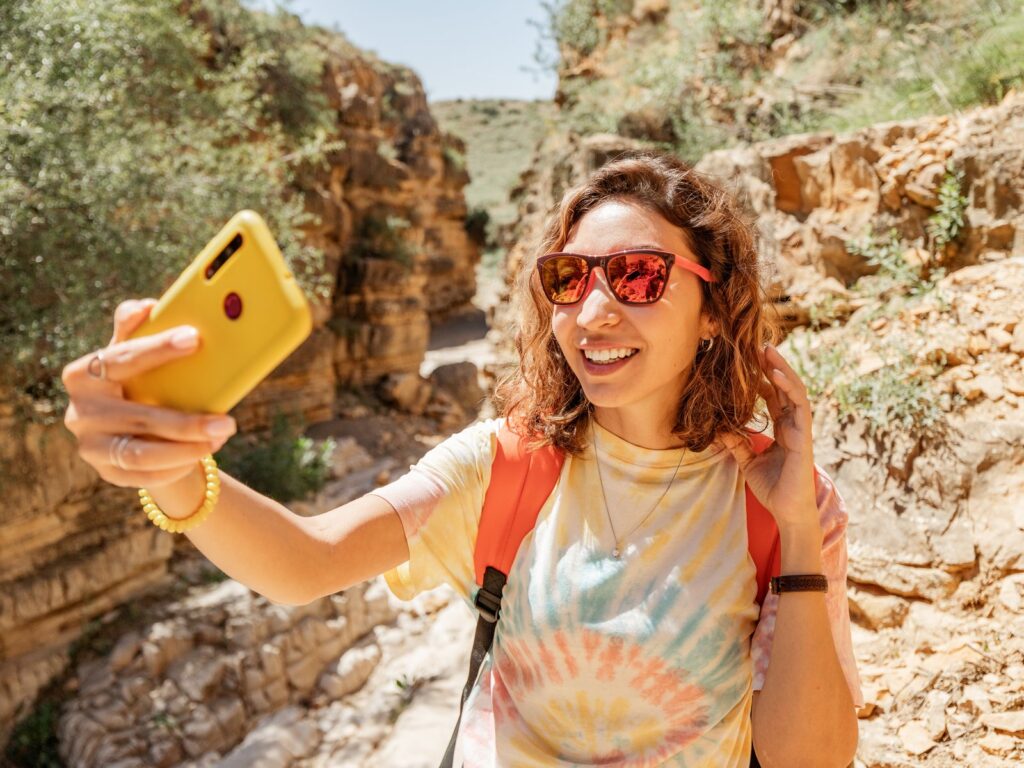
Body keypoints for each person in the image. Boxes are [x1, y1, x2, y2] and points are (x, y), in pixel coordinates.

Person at [62, 151, 863, 767]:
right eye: (567, 278)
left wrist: (796, 530)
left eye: (639, 276)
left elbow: (812, 758)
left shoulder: (780, 500)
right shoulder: (505, 462)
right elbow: (303, 564)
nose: (592, 311)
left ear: (715, 308)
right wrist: (171, 471)